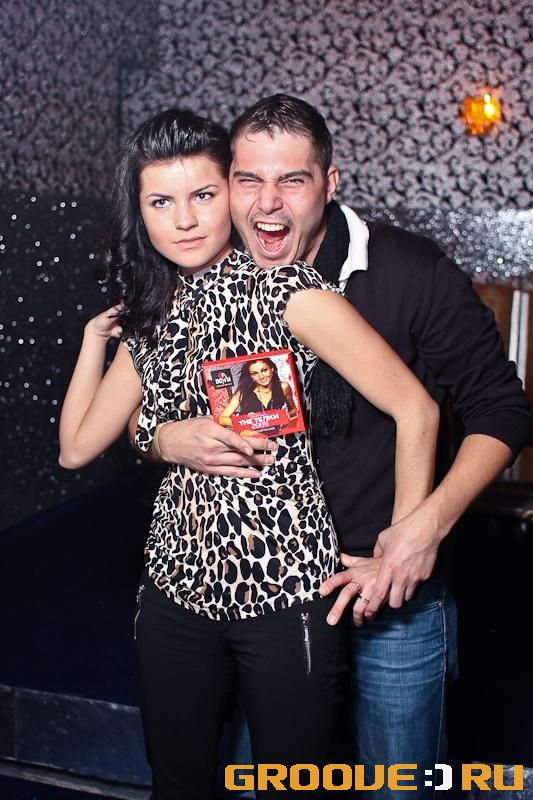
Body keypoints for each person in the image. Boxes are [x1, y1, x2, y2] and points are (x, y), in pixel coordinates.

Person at [138, 95, 531, 798]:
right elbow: (160, 412)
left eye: (291, 180)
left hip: (387, 584)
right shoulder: (213, 280)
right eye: (248, 179)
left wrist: (418, 532)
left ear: (329, 184)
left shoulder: (408, 271)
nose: (267, 202)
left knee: (396, 785)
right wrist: (165, 438)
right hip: (269, 594)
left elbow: (501, 409)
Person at [58, 108, 439, 799]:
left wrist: (399, 543)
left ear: (229, 195)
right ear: (139, 213)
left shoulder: (288, 291)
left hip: (284, 593)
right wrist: (96, 342)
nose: (183, 220)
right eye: (160, 202)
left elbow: (417, 409)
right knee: (177, 785)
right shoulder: (153, 315)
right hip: (174, 590)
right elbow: (77, 448)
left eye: (203, 195)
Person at [218, 357, 298, 433]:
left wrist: (281, 417)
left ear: (272, 369)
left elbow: (293, 411)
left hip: (276, 432)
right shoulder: (243, 392)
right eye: (255, 374)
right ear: (251, 377)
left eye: (264, 370)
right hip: (250, 434)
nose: (261, 376)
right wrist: (247, 421)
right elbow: (222, 419)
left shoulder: (283, 387)